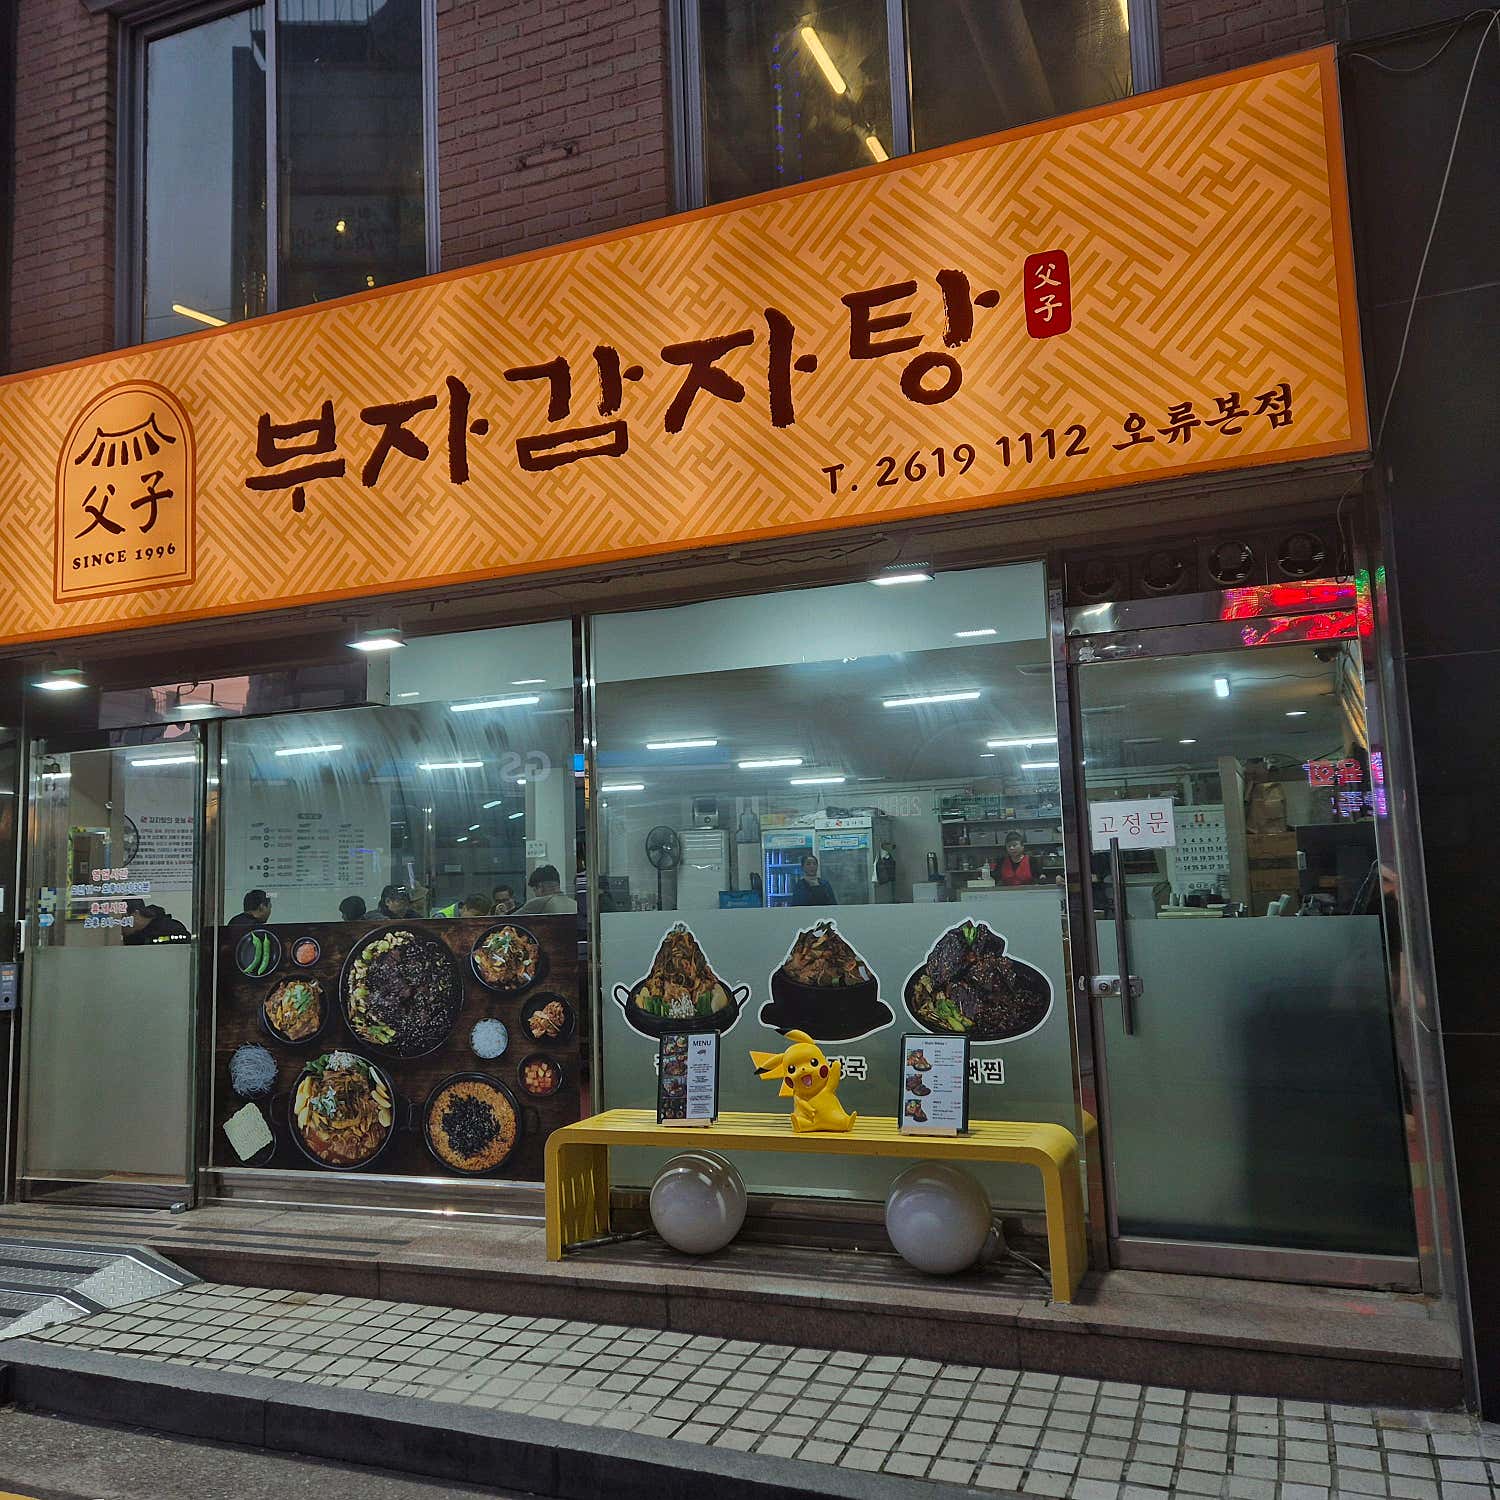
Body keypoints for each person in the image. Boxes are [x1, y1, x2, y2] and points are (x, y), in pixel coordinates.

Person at [123, 903, 191, 945]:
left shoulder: (171, 928)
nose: (121, 925)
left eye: (124, 919)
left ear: (136, 914)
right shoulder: (135, 937)